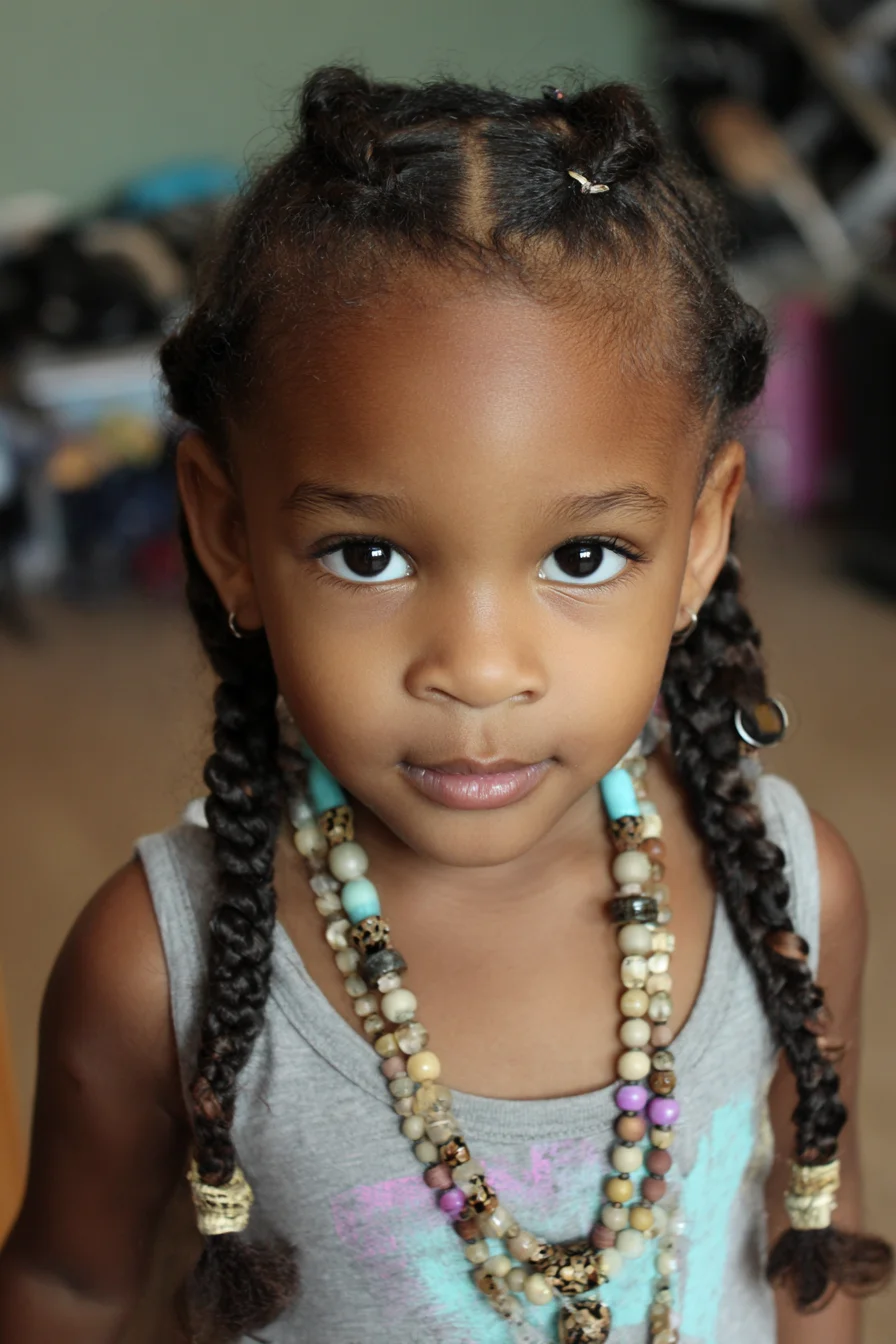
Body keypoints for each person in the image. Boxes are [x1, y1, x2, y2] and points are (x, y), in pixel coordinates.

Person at [0, 65, 890, 1344]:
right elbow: (70, 1286)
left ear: (699, 540)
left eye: (581, 558)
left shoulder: (794, 899)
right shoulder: (155, 967)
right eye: (369, 555)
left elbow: (809, 1242)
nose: (477, 669)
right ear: (227, 531)